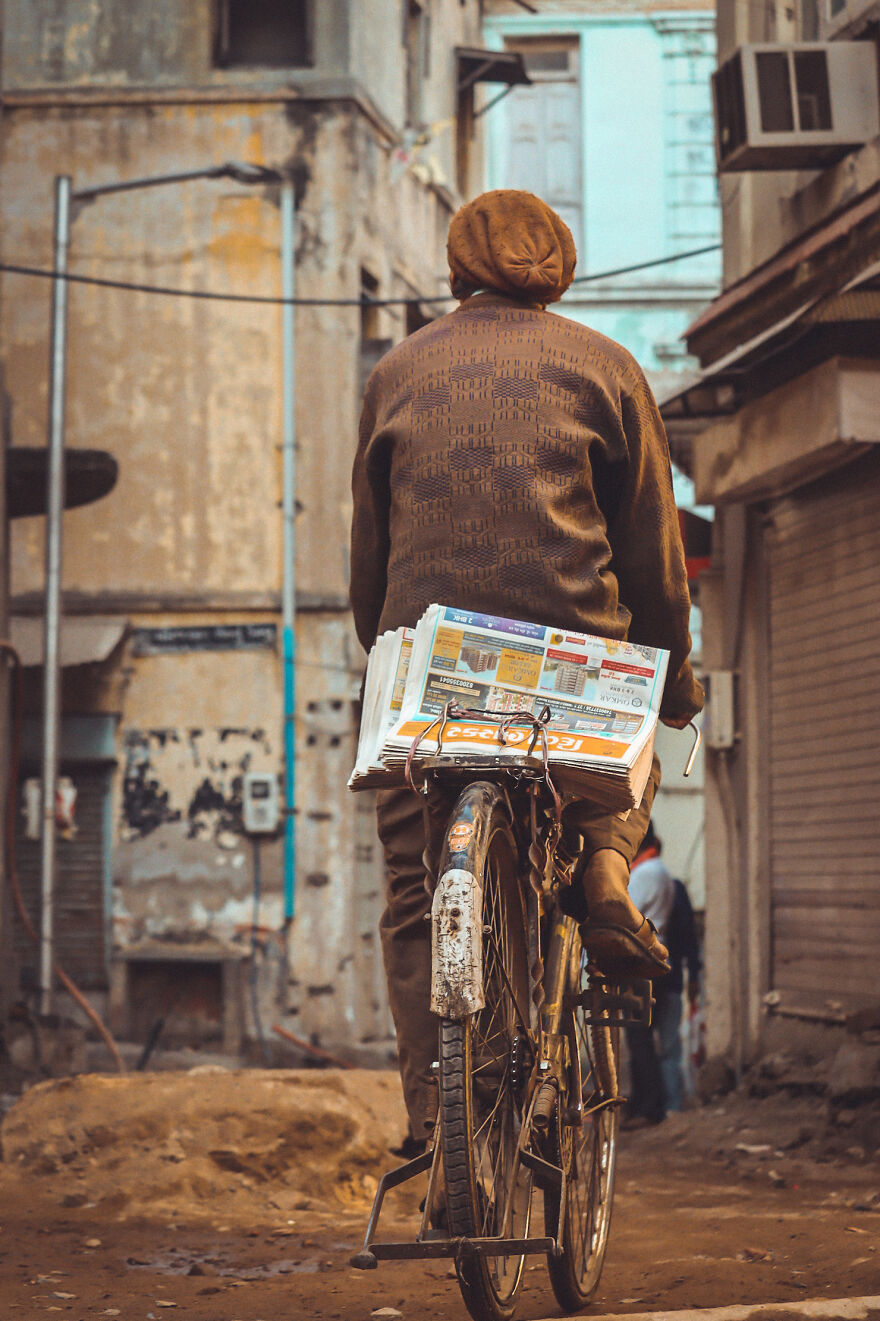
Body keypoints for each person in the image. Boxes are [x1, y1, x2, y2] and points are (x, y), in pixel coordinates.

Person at [349, 189, 704, 1145]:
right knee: (622, 754)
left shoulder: (396, 372)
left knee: (415, 888)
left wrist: (381, 654)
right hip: (571, 668)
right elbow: (652, 554)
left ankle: (432, 1115)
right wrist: (675, 684)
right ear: (563, 270)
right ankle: (600, 865)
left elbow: (368, 561)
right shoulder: (609, 367)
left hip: (432, 673)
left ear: (458, 266)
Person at [623, 821, 675, 1128]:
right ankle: (646, 1105)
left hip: (641, 962)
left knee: (639, 1039)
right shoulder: (658, 870)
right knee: (641, 1038)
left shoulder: (646, 873)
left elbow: (627, 911)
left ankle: (647, 1108)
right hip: (651, 961)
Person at [660, 873, 702, 1112]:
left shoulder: (632, 883)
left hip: (661, 981)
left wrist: (694, 975)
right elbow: (689, 936)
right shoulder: (674, 888)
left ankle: (667, 1107)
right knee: (667, 1046)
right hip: (666, 981)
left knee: (663, 1045)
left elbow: (688, 935)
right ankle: (669, 1106)